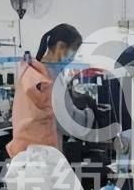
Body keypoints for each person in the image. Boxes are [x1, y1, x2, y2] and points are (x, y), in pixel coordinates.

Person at [6, 24, 83, 158]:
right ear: (60, 46)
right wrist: (90, 114)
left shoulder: (29, 71)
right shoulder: (51, 77)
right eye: (73, 53)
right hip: (45, 152)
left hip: (23, 151)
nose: (73, 59)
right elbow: (67, 122)